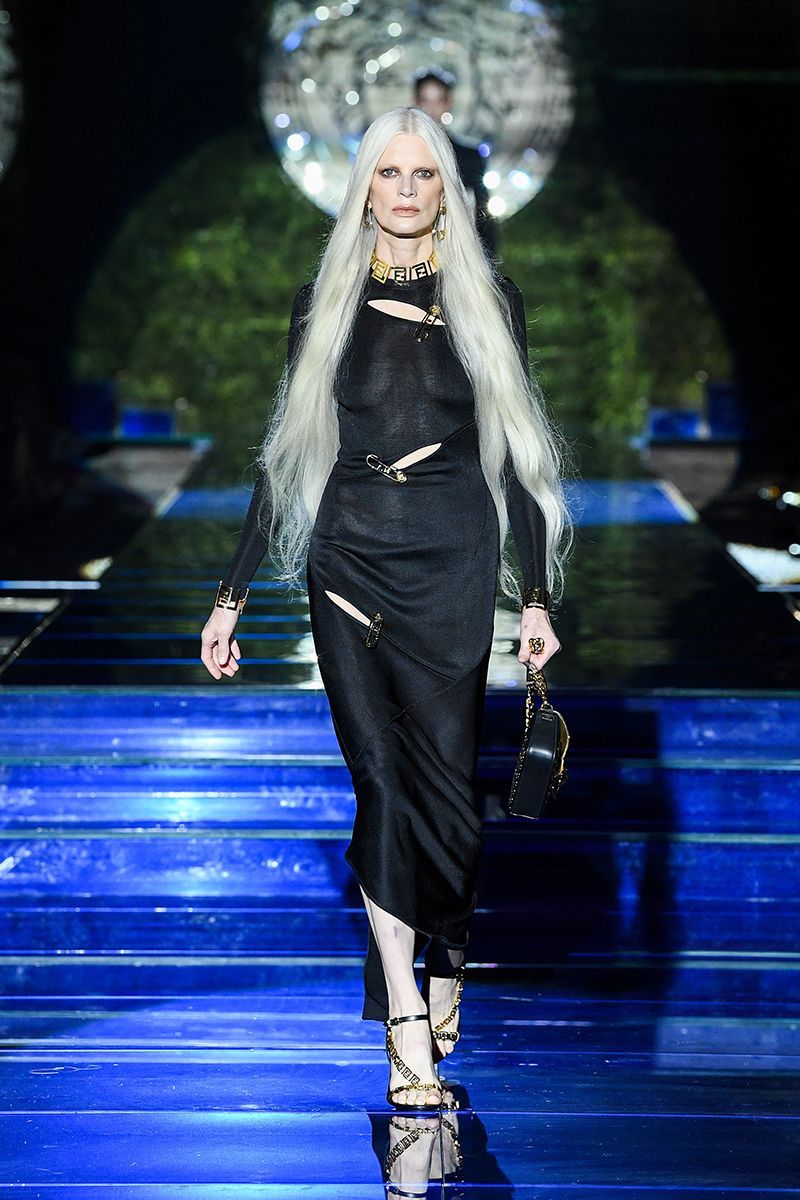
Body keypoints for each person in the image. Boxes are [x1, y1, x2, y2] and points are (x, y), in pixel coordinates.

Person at [200, 106, 569, 1112]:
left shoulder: (488, 299)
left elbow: (518, 458)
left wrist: (536, 596)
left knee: (447, 793)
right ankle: (404, 1011)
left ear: (447, 188)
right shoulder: (320, 303)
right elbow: (286, 458)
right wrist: (231, 596)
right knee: (382, 783)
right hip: (349, 558)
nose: (405, 191)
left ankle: (446, 951)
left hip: (452, 558)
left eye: (423, 174)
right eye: (388, 173)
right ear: (363, 185)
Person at [413, 68, 496, 258]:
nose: (431, 109)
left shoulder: (469, 156)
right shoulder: (400, 154)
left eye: (438, 100)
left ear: (448, 101)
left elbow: (483, 214)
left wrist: (488, 262)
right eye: (426, 100)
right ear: (416, 101)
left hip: (454, 251)